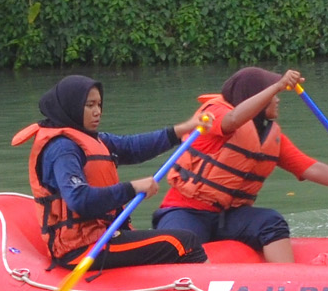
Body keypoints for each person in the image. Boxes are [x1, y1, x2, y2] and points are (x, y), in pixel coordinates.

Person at [152, 67, 328, 262]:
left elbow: (309, 168)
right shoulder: (213, 113)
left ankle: (288, 277)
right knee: (181, 241)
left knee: (271, 221)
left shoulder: (269, 136)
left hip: (230, 217)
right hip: (185, 210)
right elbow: (232, 120)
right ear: (257, 96)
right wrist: (278, 85)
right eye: (273, 95)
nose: (277, 99)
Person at [11, 74, 207, 271]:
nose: (97, 112)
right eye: (89, 105)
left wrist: (185, 129)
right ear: (72, 106)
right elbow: (79, 199)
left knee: (175, 240)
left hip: (102, 234)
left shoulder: (90, 138)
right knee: (185, 243)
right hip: (81, 249)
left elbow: (132, 147)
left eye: (99, 104)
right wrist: (132, 188)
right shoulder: (63, 149)